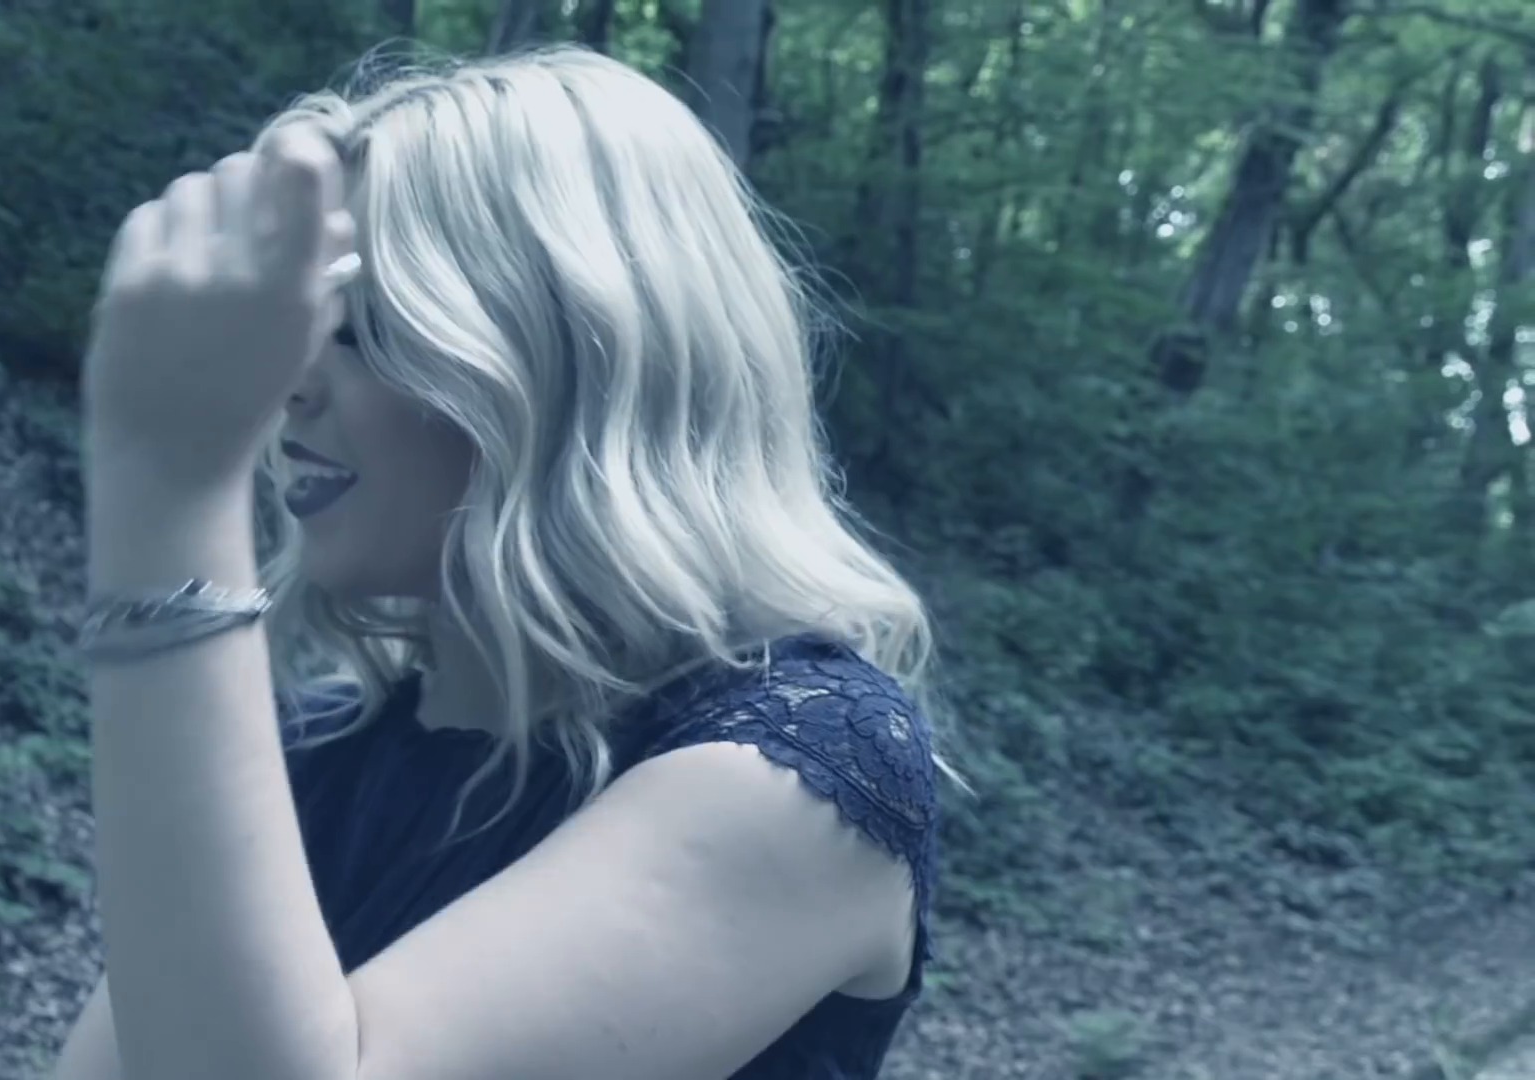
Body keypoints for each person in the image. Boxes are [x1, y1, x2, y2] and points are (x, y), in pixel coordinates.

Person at [48, 43, 948, 1080]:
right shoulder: (316, 751)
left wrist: (167, 487)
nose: (284, 388)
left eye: (365, 330)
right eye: (297, 334)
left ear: (574, 364)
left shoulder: (805, 765)